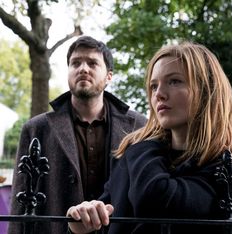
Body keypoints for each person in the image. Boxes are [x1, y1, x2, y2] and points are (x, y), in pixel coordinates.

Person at [67, 41, 232, 234]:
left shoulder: (225, 164)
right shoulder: (133, 156)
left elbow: (155, 197)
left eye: (174, 81)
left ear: (207, 89)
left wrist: (143, 143)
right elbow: (105, 224)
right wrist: (80, 224)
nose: (159, 95)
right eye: (154, 86)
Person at [8, 35, 147, 234]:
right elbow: (20, 201)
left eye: (92, 63)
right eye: (76, 63)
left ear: (109, 76)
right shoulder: (36, 128)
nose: (83, 68)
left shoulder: (139, 126)